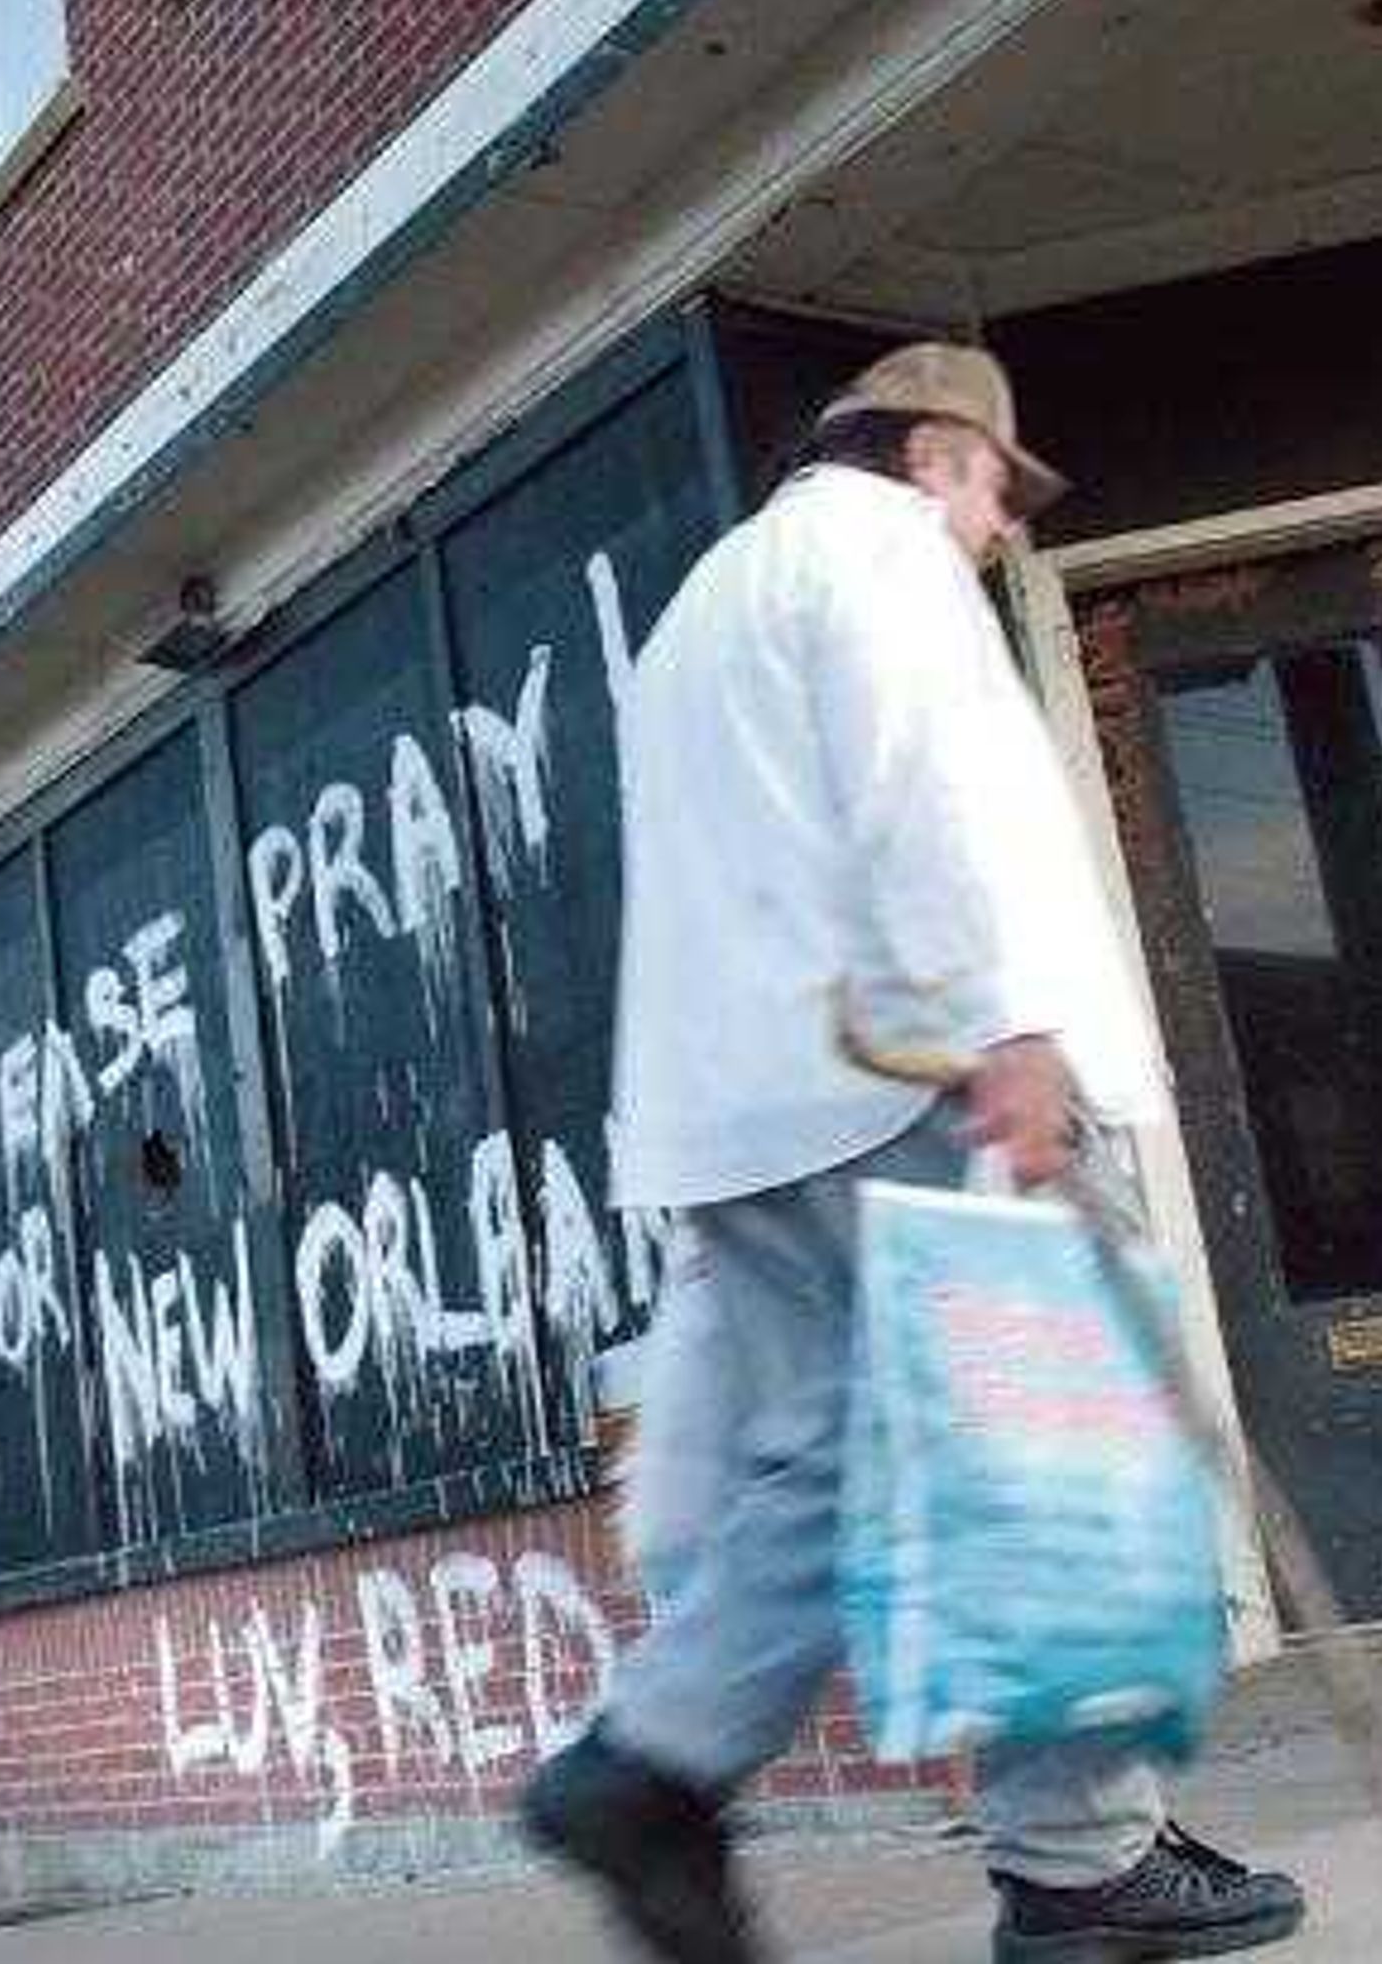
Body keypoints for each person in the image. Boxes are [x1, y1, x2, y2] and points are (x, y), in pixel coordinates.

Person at [519, 343, 1307, 1963]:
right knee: (1046, 1450)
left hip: (740, 1111)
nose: (1005, 532)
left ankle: (656, 1762)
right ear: (939, 454)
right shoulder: (881, 558)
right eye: (1003, 493)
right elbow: (932, 791)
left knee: (845, 1456)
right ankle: (1076, 1862)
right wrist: (1012, 1021)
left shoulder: (709, 602)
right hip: (919, 1079)